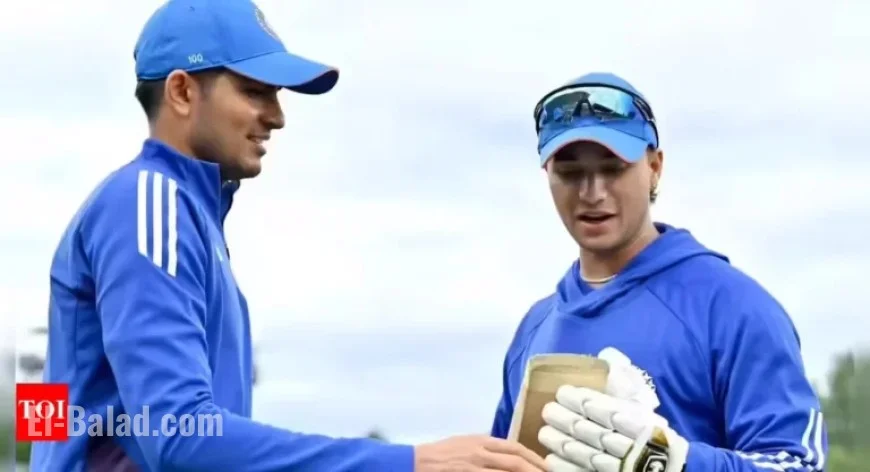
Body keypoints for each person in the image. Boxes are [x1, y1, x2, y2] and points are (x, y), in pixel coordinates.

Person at [32, 1, 548, 471]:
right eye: (255, 91)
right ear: (183, 92)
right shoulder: (148, 202)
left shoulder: (175, 213)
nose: (277, 116)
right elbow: (180, 433)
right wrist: (411, 462)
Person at [489, 72, 829, 471]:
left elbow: (797, 465)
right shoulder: (534, 330)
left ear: (654, 166)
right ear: (548, 175)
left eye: (613, 167)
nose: (592, 192)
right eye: (571, 172)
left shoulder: (732, 308)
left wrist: (673, 463)